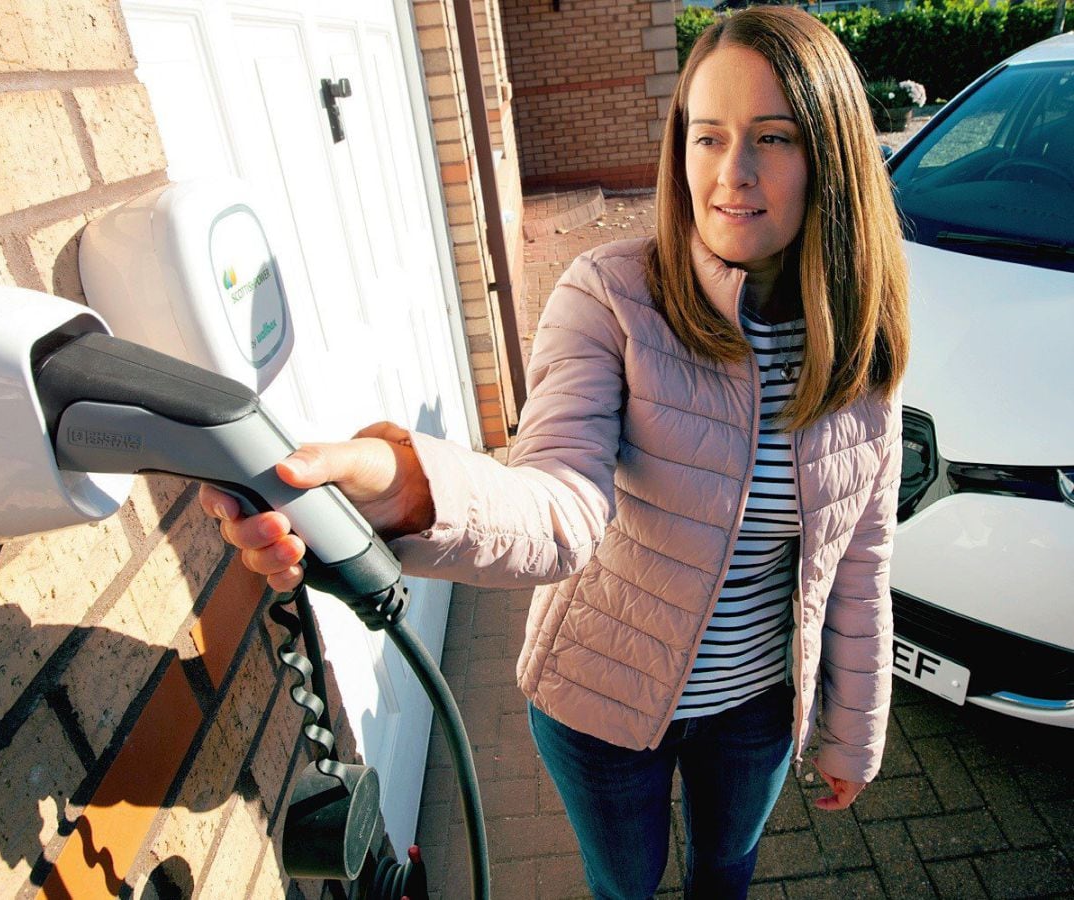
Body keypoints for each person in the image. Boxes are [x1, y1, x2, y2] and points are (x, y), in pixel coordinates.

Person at [201, 7, 909, 898]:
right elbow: (556, 499)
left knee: (726, 872)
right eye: (708, 135)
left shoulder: (862, 352)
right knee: (625, 886)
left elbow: (859, 563)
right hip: (599, 706)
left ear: (832, 159)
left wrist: (853, 733)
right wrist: (401, 487)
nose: (733, 174)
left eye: (774, 137)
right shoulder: (611, 299)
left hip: (754, 710)